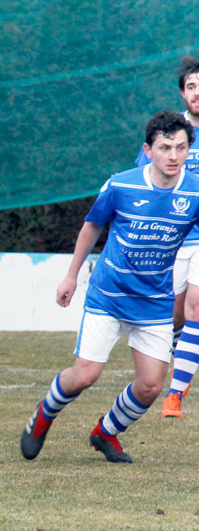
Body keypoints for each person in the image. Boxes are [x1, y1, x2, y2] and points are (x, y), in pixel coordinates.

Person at [21, 111, 199, 463]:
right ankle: (43, 416)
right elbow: (92, 226)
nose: (173, 155)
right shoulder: (121, 184)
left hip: (154, 302)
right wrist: (71, 275)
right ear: (148, 150)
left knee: (150, 386)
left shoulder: (195, 192)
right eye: (165, 147)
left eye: (180, 147)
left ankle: (106, 432)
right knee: (85, 376)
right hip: (109, 296)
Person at [134, 58, 199, 418]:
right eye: (191, 86)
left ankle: (174, 396)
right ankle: (181, 352)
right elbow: (142, 177)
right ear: (182, 92)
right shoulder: (170, 131)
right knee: (174, 316)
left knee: (196, 309)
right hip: (172, 237)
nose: (197, 92)